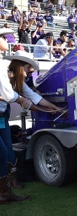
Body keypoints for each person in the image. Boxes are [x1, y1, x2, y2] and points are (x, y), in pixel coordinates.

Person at [0, 27, 32, 204]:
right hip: (2, 110)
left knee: (6, 149)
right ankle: (5, 190)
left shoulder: (3, 64)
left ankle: (7, 187)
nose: (7, 40)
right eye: (3, 37)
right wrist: (21, 100)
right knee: (3, 151)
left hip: (2, 112)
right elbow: (7, 94)